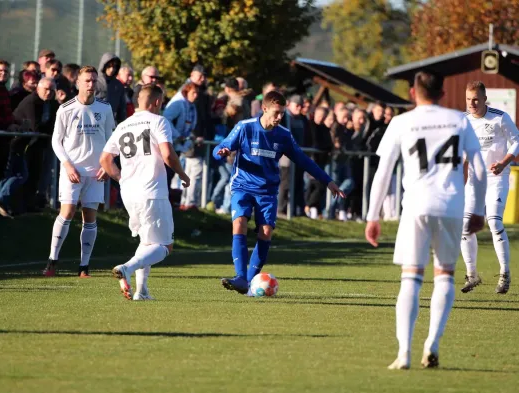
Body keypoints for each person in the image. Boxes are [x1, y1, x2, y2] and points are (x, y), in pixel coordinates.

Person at [364, 70, 487, 370]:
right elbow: (480, 169)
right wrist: (479, 211)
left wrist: (373, 215)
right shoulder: (459, 121)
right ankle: (431, 344)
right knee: (444, 276)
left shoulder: (401, 122)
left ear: (412, 93)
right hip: (451, 207)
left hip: (416, 206)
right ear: (444, 94)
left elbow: (383, 173)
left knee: (411, 278)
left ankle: (404, 352)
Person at [213, 91, 345, 295]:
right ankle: (240, 276)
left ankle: (247, 282)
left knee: (265, 233)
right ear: (264, 109)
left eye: (282, 113)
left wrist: (328, 181)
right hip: (243, 187)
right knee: (239, 223)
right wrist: (221, 153)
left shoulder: (283, 135)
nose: (279, 117)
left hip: (267, 191)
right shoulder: (245, 127)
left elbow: (303, 159)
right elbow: (221, 147)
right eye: (276, 113)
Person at [100, 84, 190, 301]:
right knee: (165, 245)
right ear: (158, 102)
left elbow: (105, 159)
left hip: (129, 193)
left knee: (147, 242)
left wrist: (121, 179)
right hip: (152, 191)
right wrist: (182, 174)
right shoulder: (159, 121)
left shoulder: (123, 125)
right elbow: (168, 154)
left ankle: (142, 290)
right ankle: (127, 267)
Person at [43, 66, 115, 278]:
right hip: (72, 171)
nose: (91, 84)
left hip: (96, 173)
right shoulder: (66, 109)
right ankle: (52, 262)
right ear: (78, 83)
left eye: (94, 81)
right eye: (87, 81)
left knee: (90, 218)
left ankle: (84, 267)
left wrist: (106, 165)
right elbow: (56, 141)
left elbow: (112, 138)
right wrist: (67, 164)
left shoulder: (105, 108)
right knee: (66, 213)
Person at [460, 81, 519, 294]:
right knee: (466, 227)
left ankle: (504, 274)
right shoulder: (463, 121)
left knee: (494, 221)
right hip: (475, 180)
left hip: (497, 178)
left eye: (476, 99)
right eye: (468, 99)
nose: (472, 103)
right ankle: (472, 274)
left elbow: (516, 141)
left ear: (485, 99)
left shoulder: (500, 118)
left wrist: (504, 162)